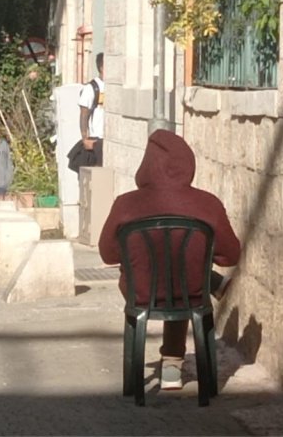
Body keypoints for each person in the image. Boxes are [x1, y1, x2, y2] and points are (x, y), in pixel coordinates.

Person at [98, 129, 241, 391]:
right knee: (185, 281)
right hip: (191, 292)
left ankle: (167, 368)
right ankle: (172, 365)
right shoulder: (208, 204)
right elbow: (230, 255)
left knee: (154, 275)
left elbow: (108, 254)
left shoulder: (125, 204)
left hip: (140, 293)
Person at [77, 52, 105, 167]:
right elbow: (84, 114)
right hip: (96, 138)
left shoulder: (114, 86)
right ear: (102, 67)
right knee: (97, 171)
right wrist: (85, 138)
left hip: (109, 138)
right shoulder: (91, 88)